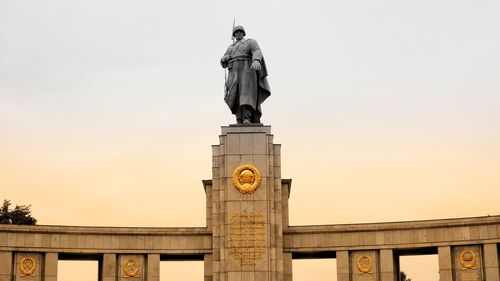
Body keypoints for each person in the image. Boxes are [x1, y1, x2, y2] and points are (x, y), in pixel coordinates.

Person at [221, 25, 271, 124]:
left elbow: (257, 51)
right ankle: (239, 118)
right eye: (236, 32)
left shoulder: (250, 42)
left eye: (240, 31)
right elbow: (223, 61)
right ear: (234, 34)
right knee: (235, 95)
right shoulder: (230, 47)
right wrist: (224, 59)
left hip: (247, 70)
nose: (238, 33)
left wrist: (256, 60)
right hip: (233, 71)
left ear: (243, 33)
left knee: (246, 94)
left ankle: (246, 117)